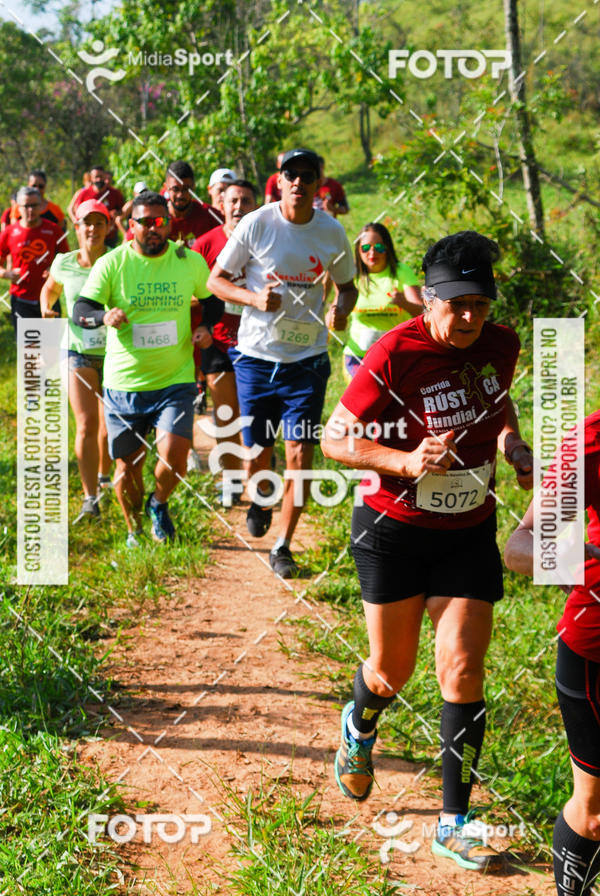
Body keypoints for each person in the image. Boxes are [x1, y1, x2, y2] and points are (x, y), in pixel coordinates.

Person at [321, 230, 534, 871]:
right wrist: (405, 459)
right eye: (458, 304)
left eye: (482, 303)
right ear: (430, 301)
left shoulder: (502, 344)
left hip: (467, 532)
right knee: (392, 670)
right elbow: (336, 438)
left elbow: (499, 405)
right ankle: (360, 724)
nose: (471, 317)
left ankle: (454, 820)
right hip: (392, 528)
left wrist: (513, 447)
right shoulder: (394, 351)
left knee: (464, 671)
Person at [207, 148, 357, 577]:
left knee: (298, 454)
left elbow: (347, 287)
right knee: (258, 450)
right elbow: (214, 281)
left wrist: (342, 308)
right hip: (255, 358)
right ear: (279, 179)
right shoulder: (258, 223)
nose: (298, 181)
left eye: (307, 175)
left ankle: (284, 546)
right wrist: (254, 298)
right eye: (291, 174)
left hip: (307, 361)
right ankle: (259, 497)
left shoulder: (331, 232)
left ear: (317, 184)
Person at [72, 190, 212, 547]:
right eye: (145, 222)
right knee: (127, 469)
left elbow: (212, 300)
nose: (153, 228)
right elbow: (80, 311)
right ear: (130, 224)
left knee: (176, 456)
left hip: (175, 380)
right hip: (125, 385)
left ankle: (159, 503)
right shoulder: (112, 263)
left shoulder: (189, 261)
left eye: (159, 221)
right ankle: (135, 531)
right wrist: (104, 315)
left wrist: (205, 326)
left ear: (168, 224)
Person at [505, 413, 600, 896]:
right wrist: (574, 561)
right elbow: (519, 545)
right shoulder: (590, 441)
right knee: (596, 813)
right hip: (595, 653)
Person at [40, 199, 112, 519]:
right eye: (87, 223)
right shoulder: (63, 262)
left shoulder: (119, 260)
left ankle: (105, 476)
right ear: (77, 227)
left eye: (99, 222)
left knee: (109, 426)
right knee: (85, 425)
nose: (93, 228)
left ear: (108, 228)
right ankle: (90, 498)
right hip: (78, 351)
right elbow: (50, 290)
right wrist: (47, 307)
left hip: (115, 353)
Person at [192, 179, 258, 501]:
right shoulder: (204, 244)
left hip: (259, 343)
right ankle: (231, 481)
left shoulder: (265, 241)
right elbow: (188, 291)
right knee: (226, 415)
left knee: (256, 415)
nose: (238, 207)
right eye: (232, 200)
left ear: (255, 206)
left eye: (245, 201)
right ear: (221, 204)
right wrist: (202, 324)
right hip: (218, 342)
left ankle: (259, 475)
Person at [344, 222, 422, 380]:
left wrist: (403, 302)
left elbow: (422, 312)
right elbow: (335, 313)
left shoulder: (401, 271)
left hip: (397, 355)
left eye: (378, 247)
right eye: (365, 248)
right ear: (358, 250)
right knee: (367, 398)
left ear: (387, 248)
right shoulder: (352, 275)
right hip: (358, 357)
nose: (372, 252)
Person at [0, 186, 67, 332]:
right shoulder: (10, 233)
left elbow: (67, 259)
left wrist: (53, 269)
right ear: (18, 207)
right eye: (26, 206)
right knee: (29, 352)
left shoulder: (53, 230)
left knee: (52, 349)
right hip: (22, 300)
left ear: (41, 206)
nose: (30, 210)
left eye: (34, 205)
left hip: (50, 298)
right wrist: (6, 273)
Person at [165, 160, 223, 247]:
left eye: (186, 189)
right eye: (175, 189)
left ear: (194, 187)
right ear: (166, 188)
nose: (180, 195)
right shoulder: (157, 218)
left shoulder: (211, 215)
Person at [68, 166, 124, 248]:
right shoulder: (84, 193)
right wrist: (77, 223)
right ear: (91, 178)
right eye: (96, 177)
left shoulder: (115, 193)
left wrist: (116, 214)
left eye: (101, 177)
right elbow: (76, 211)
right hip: (90, 237)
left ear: (105, 176)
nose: (99, 180)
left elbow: (122, 211)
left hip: (109, 236)